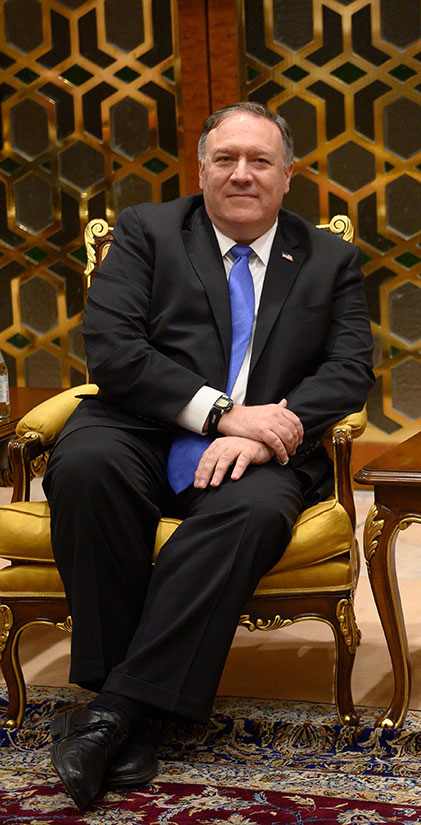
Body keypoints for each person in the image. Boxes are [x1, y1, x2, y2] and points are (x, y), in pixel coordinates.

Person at [44, 102, 375, 810]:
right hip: (142, 426)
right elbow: (114, 351)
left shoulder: (329, 258)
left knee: (254, 514)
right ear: (201, 170)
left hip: (262, 450)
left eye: (260, 160)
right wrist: (224, 412)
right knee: (83, 466)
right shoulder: (147, 231)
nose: (242, 174)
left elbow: (349, 371)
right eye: (225, 159)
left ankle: (113, 714)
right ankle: (120, 691)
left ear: (289, 176)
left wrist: (263, 429)